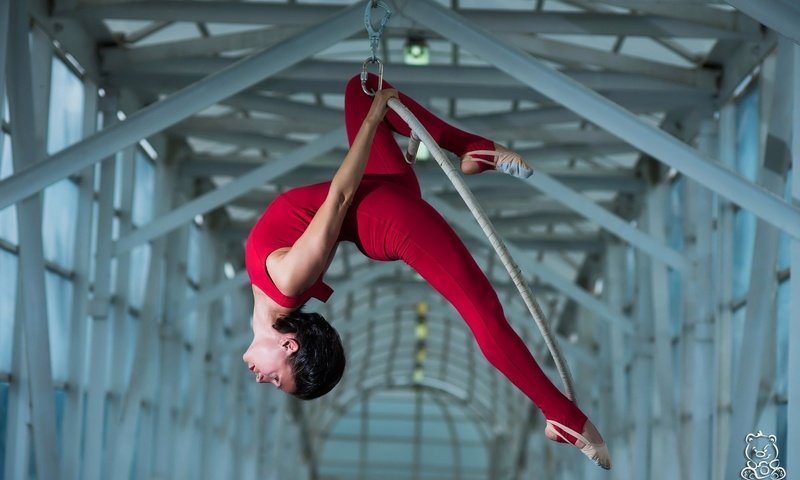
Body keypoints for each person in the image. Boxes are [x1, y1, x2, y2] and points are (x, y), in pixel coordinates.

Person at [243, 74, 611, 469]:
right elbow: (340, 196)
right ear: (288, 347)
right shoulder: (287, 281)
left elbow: (343, 195)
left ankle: (473, 148)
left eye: (274, 381)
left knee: (364, 86)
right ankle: (566, 418)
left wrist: (376, 113)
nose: (262, 380)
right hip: (392, 221)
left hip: (383, 186)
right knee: (482, 308)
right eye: (276, 380)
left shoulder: (271, 295)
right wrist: (371, 123)